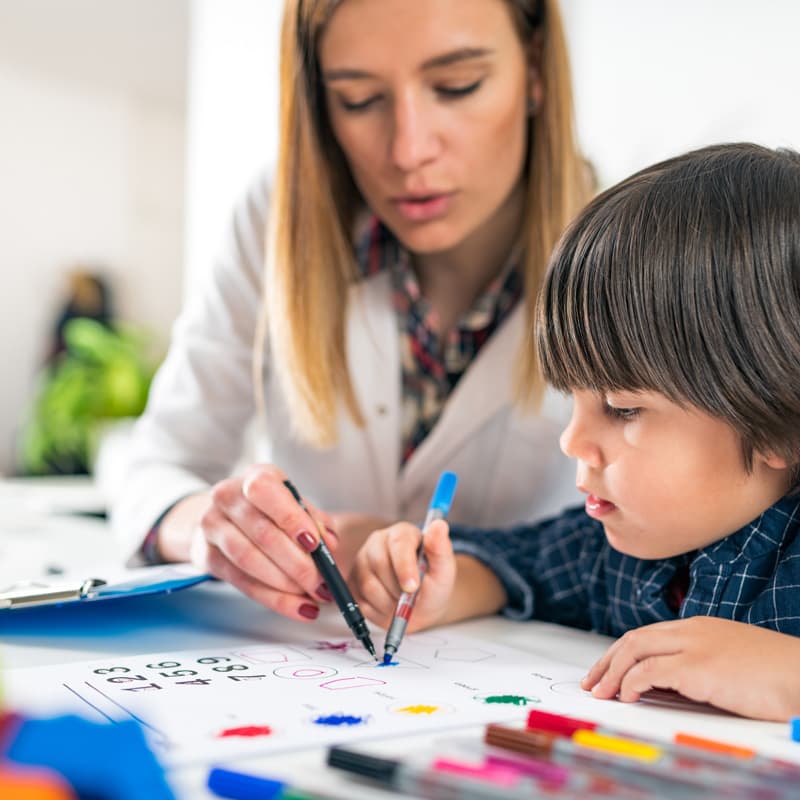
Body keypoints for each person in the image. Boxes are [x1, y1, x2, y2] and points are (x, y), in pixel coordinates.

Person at [111, 0, 591, 622]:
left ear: (533, 69)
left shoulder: (642, 252)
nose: (409, 150)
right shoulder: (276, 223)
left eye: (456, 86)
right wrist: (212, 529)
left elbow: (672, 550)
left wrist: (465, 565)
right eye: (359, 99)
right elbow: (155, 465)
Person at [350, 143, 800, 722]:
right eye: (573, 399)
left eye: (622, 409)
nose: (572, 441)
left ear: (781, 426)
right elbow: (522, 565)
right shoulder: (624, 543)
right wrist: (439, 582)